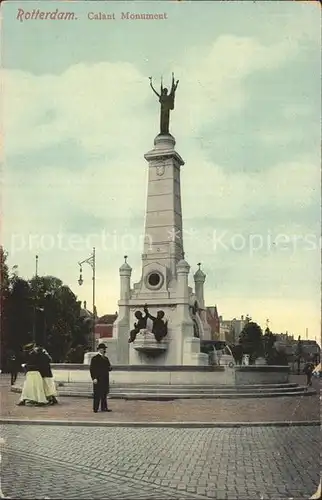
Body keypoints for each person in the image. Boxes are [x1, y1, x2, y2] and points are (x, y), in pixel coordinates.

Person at [89, 343, 112, 413]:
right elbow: (92, 369)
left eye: (105, 349)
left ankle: (104, 407)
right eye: (103, 348)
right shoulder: (95, 358)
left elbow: (109, 367)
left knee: (104, 394)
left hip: (105, 379)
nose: (104, 350)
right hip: (98, 379)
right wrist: (94, 378)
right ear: (100, 349)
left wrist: (110, 368)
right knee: (97, 394)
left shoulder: (106, 358)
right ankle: (95, 408)